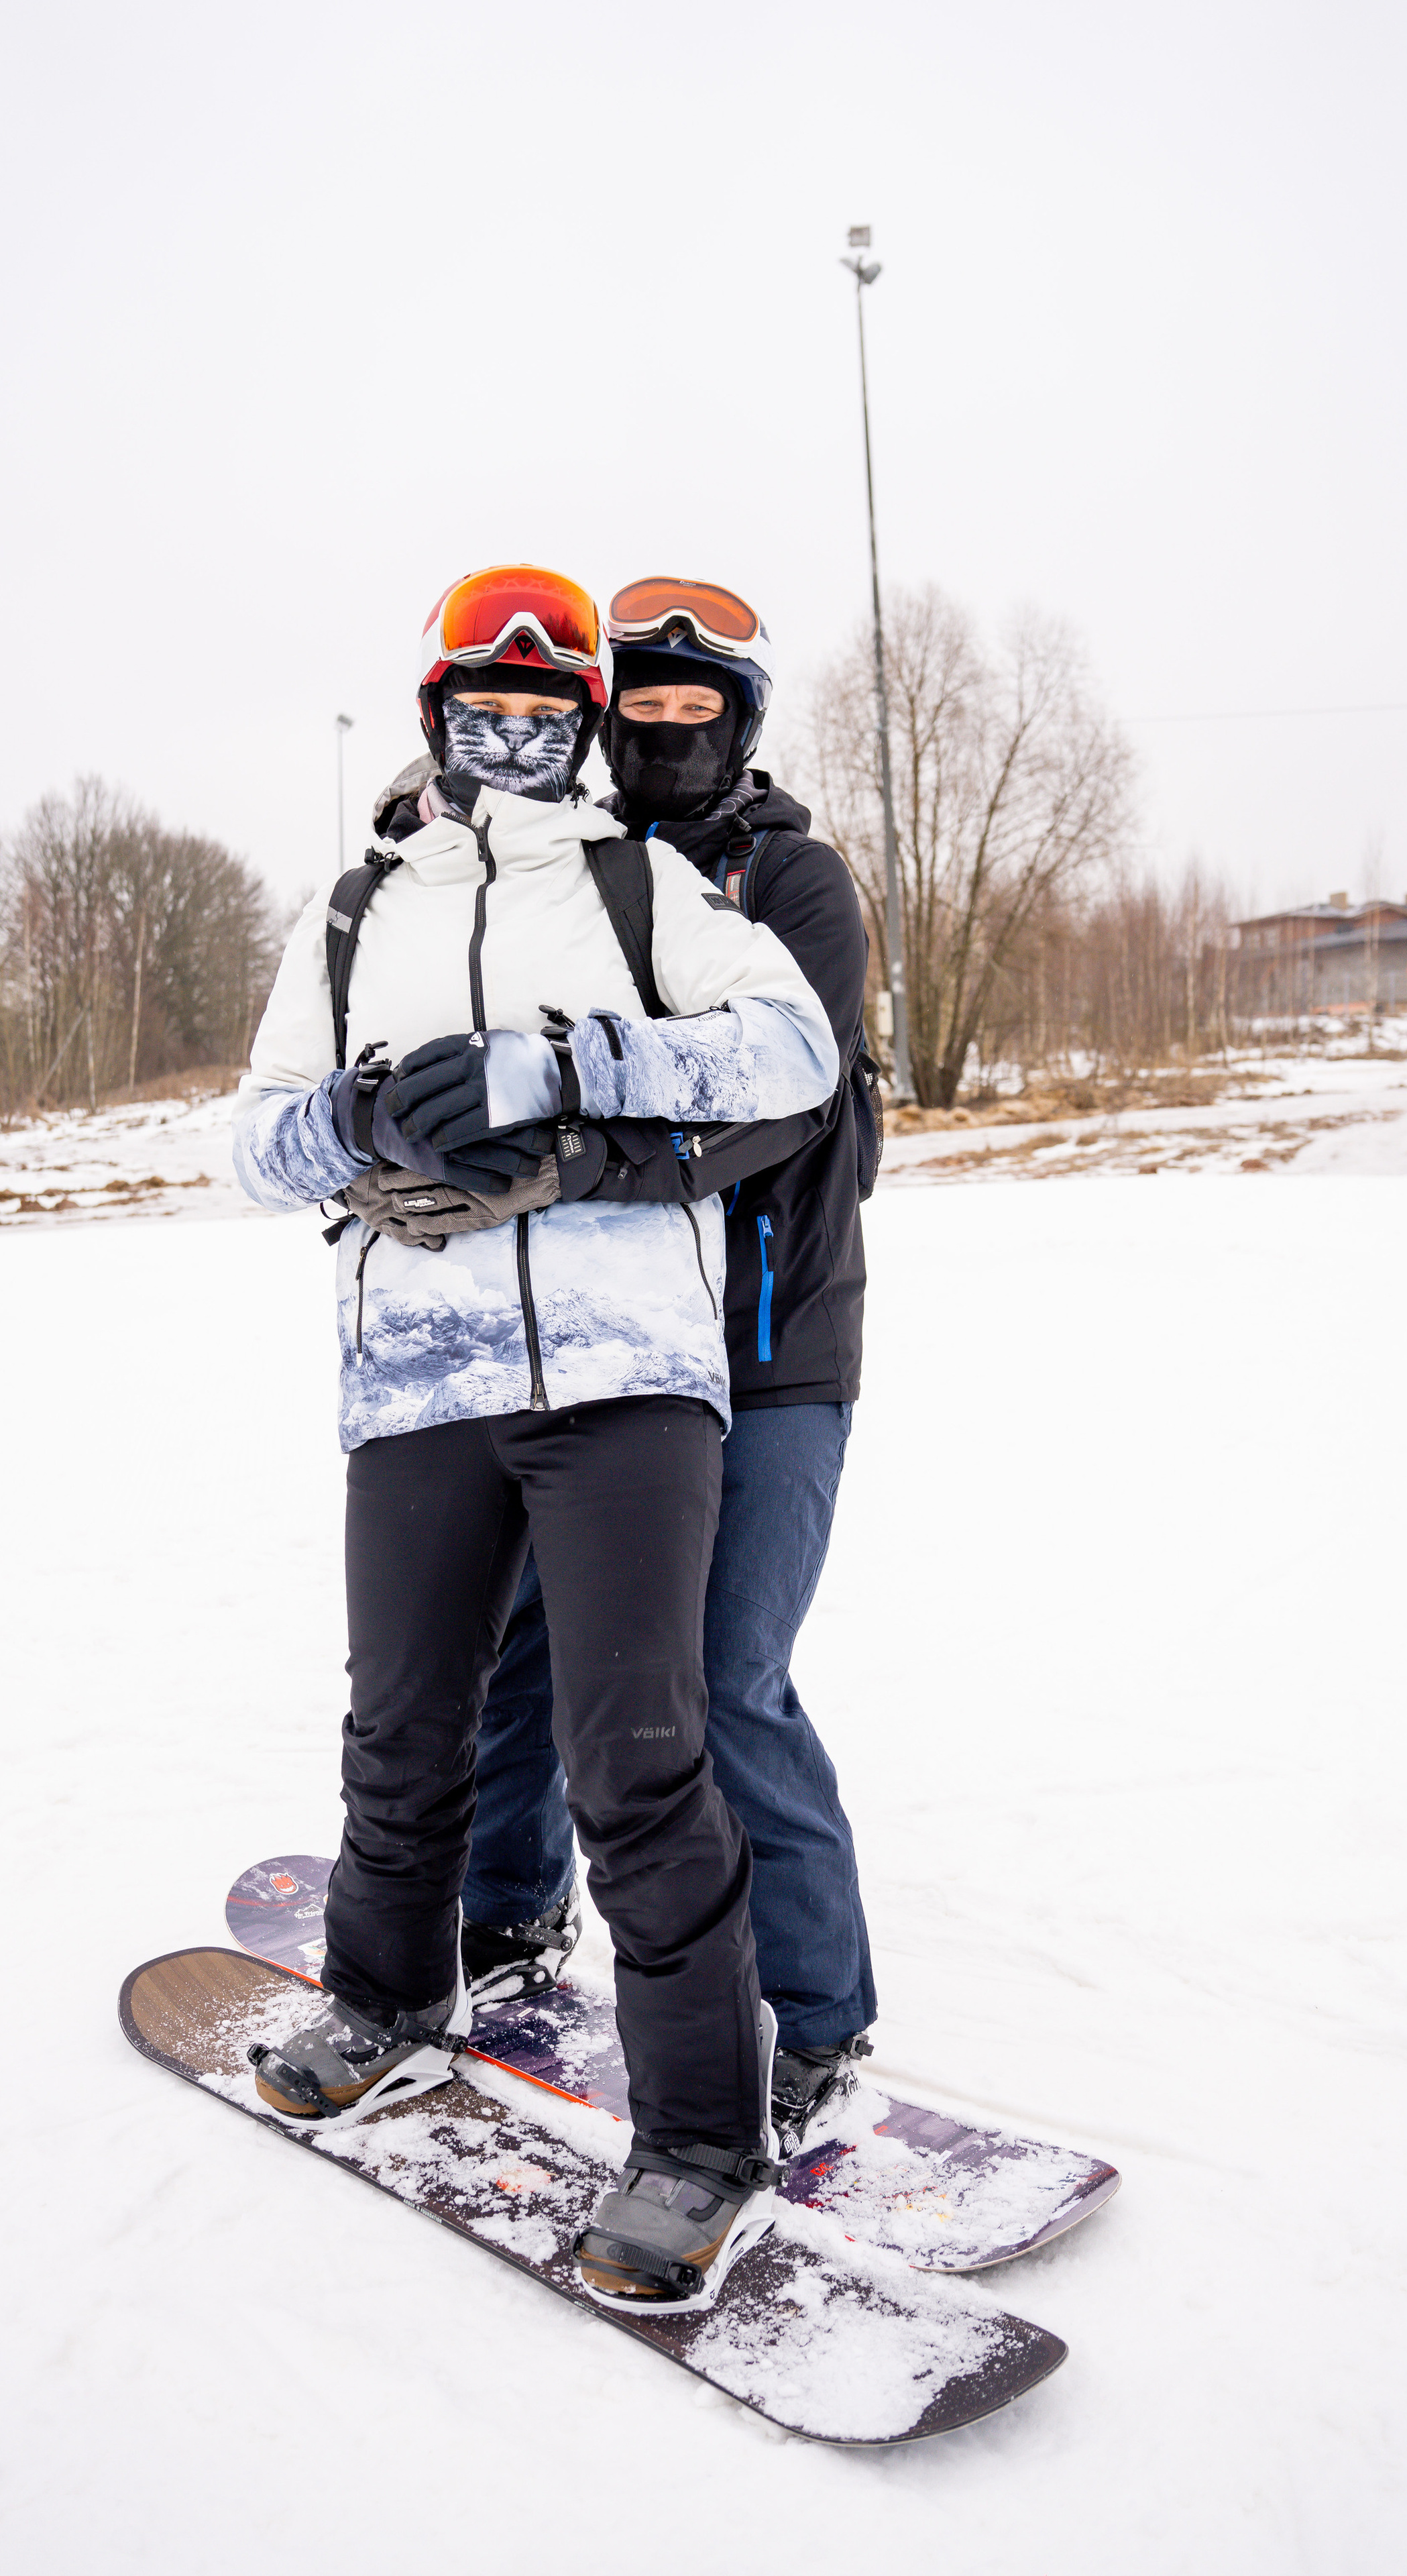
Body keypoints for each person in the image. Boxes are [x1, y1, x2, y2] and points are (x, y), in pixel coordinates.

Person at [231, 564, 839, 2310]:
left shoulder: (640, 885)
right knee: (404, 1724)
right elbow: (248, 1144)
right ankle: (387, 2001)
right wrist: (352, 1116)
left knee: (636, 1750)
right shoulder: (355, 914)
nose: (511, 727)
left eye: (540, 702)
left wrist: (569, 1066)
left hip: (624, 1378)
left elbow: (791, 1052)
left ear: (577, 721)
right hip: (417, 1374)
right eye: (479, 703)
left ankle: (704, 2139)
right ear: (437, 719)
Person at [456, 577, 881, 2151]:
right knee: (523, 1642)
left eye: (700, 715)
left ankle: (817, 2016)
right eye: (640, 712)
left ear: (742, 725)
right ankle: (502, 1916)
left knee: (721, 1675)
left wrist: (592, 1163)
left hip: (768, 1340)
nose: (666, 736)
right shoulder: (580, 867)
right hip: (602, 1334)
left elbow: (790, 1095)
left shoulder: (794, 880)